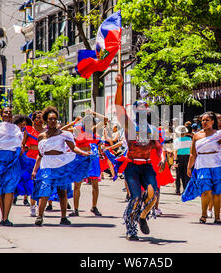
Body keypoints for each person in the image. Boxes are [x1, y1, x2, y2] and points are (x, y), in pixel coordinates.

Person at [115, 74, 166, 241]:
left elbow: (158, 147)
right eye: (140, 107)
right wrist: (119, 86)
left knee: (154, 194)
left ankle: (142, 216)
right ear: (135, 110)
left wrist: (163, 157)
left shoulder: (152, 129)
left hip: (147, 166)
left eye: (145, 107)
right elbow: (118, 106)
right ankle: (131, 229)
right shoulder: (129, 125)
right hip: (132, 167)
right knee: (136, 197)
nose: (143, 110)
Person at [31, 106, 92, 226]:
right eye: (50, 119)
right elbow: (40, 154)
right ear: (46, 120)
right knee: (44, 191)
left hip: (62, 164)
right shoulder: (41, 136)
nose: (53, 121)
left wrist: (84, 153)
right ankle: (40, 216)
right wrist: (34, 170)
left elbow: (73, 148)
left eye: (54, 119)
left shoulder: (65, 134)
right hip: (46, 165)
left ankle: (63, 217)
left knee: (62, 192)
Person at [0, 106, 24, 226]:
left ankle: (6, 217)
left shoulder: (17, 129)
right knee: (0, 190)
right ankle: (3, 216)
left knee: (10, 188)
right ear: (1, 115)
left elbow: (20, 145)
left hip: (13, 161)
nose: (8, 114)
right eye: (6, 112)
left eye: (10, 112)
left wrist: (21, 152)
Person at [69, 109, 108, 217]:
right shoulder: (77, 130)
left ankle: (94, 207)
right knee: (77, 185)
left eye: (93, 123)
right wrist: (73, 122)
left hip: (92, 158)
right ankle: (76, 209)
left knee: (95, 185)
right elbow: (63, 130)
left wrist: (93, 113)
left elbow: (105, 120)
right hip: (80, 158)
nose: (91, 125)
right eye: (89, 122)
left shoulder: (94, 131)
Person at [173, 125, 192, 195]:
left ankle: (177, 190)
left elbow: (175, 151)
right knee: (186, 174)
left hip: (179, 158)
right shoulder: (189, 139)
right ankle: (186, 190)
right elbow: (191, 150)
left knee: (178, 175)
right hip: (187, 157)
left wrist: (174, 160)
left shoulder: (177, 140)